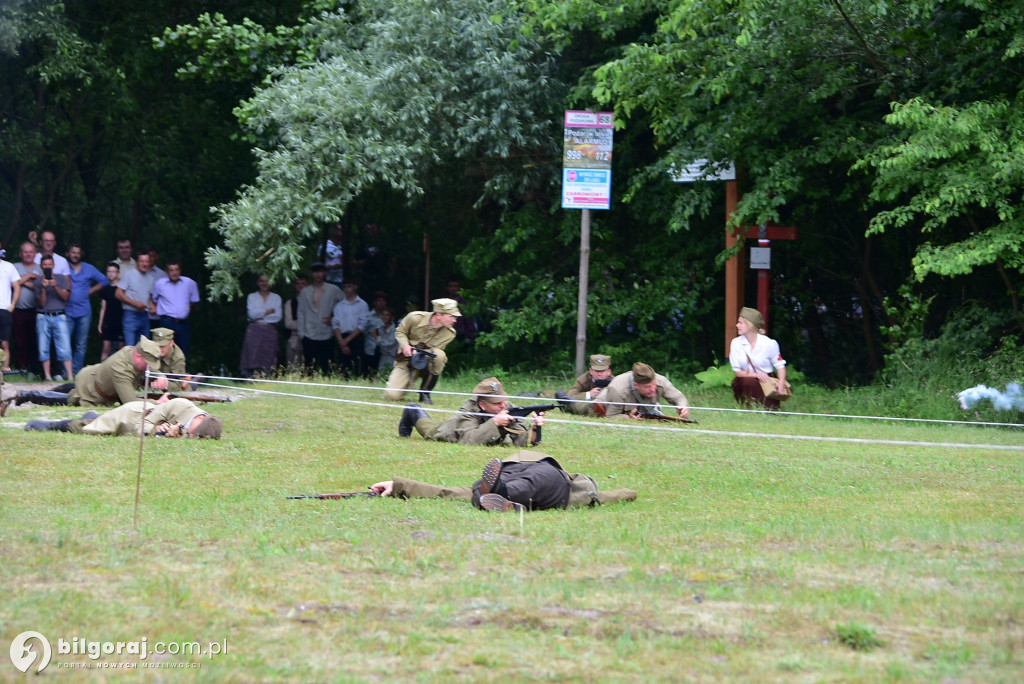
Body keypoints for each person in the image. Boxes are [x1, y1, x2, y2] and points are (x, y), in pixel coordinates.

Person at [369, 451, 638, 513]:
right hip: (521, 472)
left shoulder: (578, 486)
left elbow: (621, 494)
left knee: (528, 483)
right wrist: (398, 486)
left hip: (549, 481)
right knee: (472, 490)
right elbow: (446, 492)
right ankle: (502, 499)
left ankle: (502, 497)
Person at [12, 335, 167, 407]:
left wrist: (160, 376)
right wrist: (157, 403)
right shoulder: (121, 368)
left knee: (71, 387)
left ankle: (27, 393)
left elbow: (149, 367)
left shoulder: (131, 351)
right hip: (92, 391)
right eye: (148, 362)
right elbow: (130, 402)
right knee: (70, 398)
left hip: (92, 375)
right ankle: (29, 395)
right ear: (138, 356)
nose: (150, 366)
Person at [398, 376, 545, 446]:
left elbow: (520, 441)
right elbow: (468, 440)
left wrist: (534, 428)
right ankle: (413, 410)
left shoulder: (507, 407)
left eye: (503, 400)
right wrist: (495, 422)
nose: (503, 405)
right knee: (429, 430)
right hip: (450, 431)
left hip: (484, 431)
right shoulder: (469, 408)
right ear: (482, 405)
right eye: (497, 403)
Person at [25, 397, 222, 438]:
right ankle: (48, 425)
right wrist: (158, 432)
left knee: (94, 420)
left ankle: (93, 416)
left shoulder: (204, 422)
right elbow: (141, 428)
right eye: (194, 433)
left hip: (143, 416)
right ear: (198, 420)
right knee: (87, 429)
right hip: (132, 416)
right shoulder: (180, 405)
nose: (191, 436)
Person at [383, 298, 460, 403]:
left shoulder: (450, 333)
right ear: (438, 315)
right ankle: (403, 386)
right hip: (407, 360)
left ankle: (425, 392)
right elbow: (400, 332)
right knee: (391, 396)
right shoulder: (414, 318)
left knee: (439, 355)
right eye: (451, 316)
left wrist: (420, 353)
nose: (455, 320)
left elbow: (436, 354)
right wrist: (405, 345)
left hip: (427, 361)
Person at [729, 306, 790, 410]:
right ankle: (749, 407)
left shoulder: (769, 343)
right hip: (746, 381)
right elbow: (737, 371)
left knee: (770, 410)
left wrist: (781, 382)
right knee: (750, 382)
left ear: (750, 325)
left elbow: (780, 366)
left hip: (767, 381)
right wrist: (756, 375)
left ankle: (768, 407)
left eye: (740, 323)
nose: (737, 325)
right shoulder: (736, 343)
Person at [64, 243, 108, 376]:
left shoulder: (89, 268)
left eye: (78, 253)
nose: (76, 255)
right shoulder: (63, 267)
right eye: (73, 252)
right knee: (65, 344)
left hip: (84, 312)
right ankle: (65, 372)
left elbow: (104, 280)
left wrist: (90, 291)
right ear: (68, 254)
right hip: (67, 311)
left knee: (81, 345)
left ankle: (77, 373)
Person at [595, 362, 691, 420]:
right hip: (601, 404)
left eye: (654, 384)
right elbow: (611, 417)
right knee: (582, 407)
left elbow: (678, 397)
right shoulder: (618, 390)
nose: (653, 389)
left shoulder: (660, 380)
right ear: (636, 385)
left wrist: (683, 408)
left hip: (639, 410)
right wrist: (628, 418)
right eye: (648, 387)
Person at [297, 263, 343, 376]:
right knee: (309, 366)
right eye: (315, 272)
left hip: (326, 333)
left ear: (325, 273)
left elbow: (345, 305)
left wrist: (334, 319)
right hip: (309, 332)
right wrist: (301, 333)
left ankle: (329, 384)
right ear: (312, 274)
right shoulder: (305, 291)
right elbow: (301, 312)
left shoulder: (333, 289)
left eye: (321, 271)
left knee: (327, 365)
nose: (318, 274)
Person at [532, 353, 614, 416]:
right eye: (596, 371)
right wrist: (588, 394)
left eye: (602, 371)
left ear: (609, 372)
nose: (599, 374)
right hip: (581, 401)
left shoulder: (615, 382)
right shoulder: (584, 379)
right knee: (559, 394)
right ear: (590, 371)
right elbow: (571, 394)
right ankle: (541, 393)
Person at [34, 254, 73, 381]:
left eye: (49, 265)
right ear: (41, 266)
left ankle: (71, 376)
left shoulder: (61, 278)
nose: (47, 267)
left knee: (65, 347)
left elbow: (66, 297)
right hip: (43, 316)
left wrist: (55, 286)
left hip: (59, 315)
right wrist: (44, 288)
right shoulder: (38, 282)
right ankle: (48, 376)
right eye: (45, 265)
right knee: (43, 347)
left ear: (53, 265)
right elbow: (42, 303)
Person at [151, 260, 200, 357]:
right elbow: (153, 299)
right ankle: (164, 372)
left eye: (176, 270)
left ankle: (181, 371)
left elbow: (194, 300)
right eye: (171, 270)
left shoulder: (190, 283)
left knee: (183, 351)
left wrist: (184, 310)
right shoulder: (159, 284)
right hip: (166, 322)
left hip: (183, 323)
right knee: (164, 351)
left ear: (180, 270)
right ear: (167, 272)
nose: (174, 273)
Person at [240, 274, 282, 377]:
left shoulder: (276, 298)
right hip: (254, 330)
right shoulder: (252, 297)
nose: (264, 284)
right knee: (252, 355)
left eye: (267, 281)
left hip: (270, 330)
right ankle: (249, 377)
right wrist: (268, 311)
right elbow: (251, 315)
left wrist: (259, 314)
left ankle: (267, 377)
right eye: (262, 281)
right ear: (258, 283)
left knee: (269, 357)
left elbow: (277, 317)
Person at [116, 252, 159, 346]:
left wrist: (152, 306)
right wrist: (135, 304)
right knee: (130, 349)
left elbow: (147, 298)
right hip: (131, 315)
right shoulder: (129, 275)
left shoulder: (150, 278)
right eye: (142, 261)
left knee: (144, 348)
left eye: (146, 261)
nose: (144, 264)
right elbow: (118, 293)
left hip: (144, 316)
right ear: (137, 262)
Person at [12, 241, 41, 373]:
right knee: (19, 341)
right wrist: (30, 276)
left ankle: (34, 370)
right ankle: (21, 368)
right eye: (25, 252)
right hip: (17, 310)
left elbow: (39, 286)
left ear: (35, 254)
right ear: (20, 254)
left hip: (36, 310)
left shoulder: (41, 267)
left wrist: (21, 281)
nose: (28, 254)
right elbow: (13, 283)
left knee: (34, 341)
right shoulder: (14, 266)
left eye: (31, 252)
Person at [331, 278, 368, 378]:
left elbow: (362, 325)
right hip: (342, 337)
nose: (347, 289)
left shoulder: (362, 304)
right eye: (345, 287)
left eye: (349, 286)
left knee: (357, 367)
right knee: (343, 368)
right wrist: (341, 341)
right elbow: (335, 324)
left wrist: (346, 341)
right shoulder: (339, 306)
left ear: (355, 287)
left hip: (355, 337)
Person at [0, 241, 22, 371]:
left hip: (4, 309)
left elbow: (17, 286)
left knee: (4, 343)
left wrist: (13, 304)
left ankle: (5, 368)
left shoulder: (9, 266)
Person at [97, 262, 124, 360]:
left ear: (118, 273)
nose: (111, 274)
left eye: (113, 271)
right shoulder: (105, 289)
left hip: (121, 322)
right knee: (106, 349)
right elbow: (103, 307)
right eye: (109, 271)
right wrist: (100, 324)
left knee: (122, 350)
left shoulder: (122, 289)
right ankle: (101, 372)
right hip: (108, 322)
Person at [360, 291, 390, 375]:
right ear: (374, 302)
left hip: (384, 350)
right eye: (378, 300)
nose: (381, 303)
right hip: (370, 348)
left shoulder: (388, 317)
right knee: (368, 372)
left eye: (383, 301)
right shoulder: (368, 316)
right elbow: (363, 332)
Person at [282, 274, 308, 369]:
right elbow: (288, 324)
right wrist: (304, 322)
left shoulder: (314, 302)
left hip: (310, 338)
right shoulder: (289, 303)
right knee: (293, 368)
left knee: (308, 368)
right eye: (298, 284)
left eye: (303, 283)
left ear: (308, 285)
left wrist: (297, 322)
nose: (300, 286)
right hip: (293, 339)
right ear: (295, 286)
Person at [444, 277, 477, 341]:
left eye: (455, 286)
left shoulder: (465, 303)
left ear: (459, 288)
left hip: (461, 336)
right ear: (447, 288)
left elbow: (469, 321)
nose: (453, 288)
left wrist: (469, 336)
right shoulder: (443, 303)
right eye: (451, 286)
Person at [319, 222, 345, 287]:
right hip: (327, 280)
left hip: (341, 281)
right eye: (336, 229)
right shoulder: (325, 245)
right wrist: (333, 267)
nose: (337, 231)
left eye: (340, 230)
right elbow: (319, 264)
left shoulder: (345, 247)